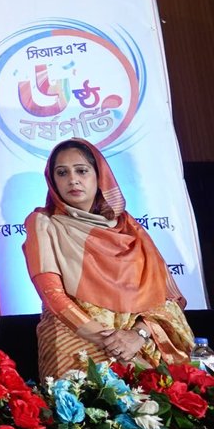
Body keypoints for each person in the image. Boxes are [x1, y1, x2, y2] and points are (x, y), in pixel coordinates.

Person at [24, 137, 193, 379]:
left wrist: (137, 335)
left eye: (82, 170)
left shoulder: (129, 229)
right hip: (74, 340)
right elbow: (52, 295)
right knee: (84, 400)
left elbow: (164, 299)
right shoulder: (44, 223)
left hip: (135, 344)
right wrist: (110, 341)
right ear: (53, 181)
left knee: (154, 400)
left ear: (99, 176)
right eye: (62, 173)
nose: (72, 179)